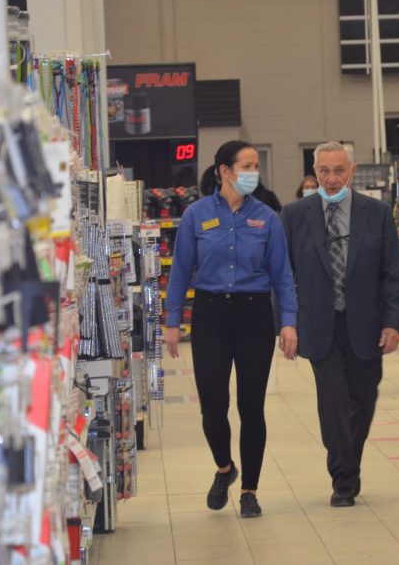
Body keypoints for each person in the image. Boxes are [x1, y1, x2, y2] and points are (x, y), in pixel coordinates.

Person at [164, 140, 298, 519]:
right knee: (212, 405)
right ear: (224, 171)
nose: (254, 172)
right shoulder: (196, 215)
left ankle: (250, 491)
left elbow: (282, 276)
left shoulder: (267, 218)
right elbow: (179, 271)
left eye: (257, 165)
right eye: (247, 165)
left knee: (251, 406)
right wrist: (172, 320)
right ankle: (225, 467)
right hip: (209, 315)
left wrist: (288, 321)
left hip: (254, 315)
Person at [280, 141, 399, 507]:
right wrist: (286, 323)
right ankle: (343, 478)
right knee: (332, 401)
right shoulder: (295, 214)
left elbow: (393, 272)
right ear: (314, 172)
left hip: (365, 324)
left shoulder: (377, 213)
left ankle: (349, 462)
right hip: (319, 324)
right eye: (324, 171)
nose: (331, 179)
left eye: (338, 171)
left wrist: (393, 321)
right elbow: (283, 275)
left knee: (363, 399)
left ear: (351, 171)